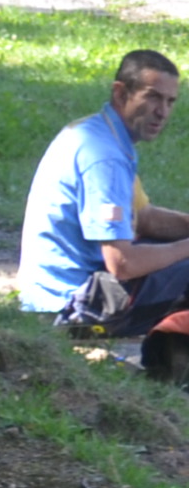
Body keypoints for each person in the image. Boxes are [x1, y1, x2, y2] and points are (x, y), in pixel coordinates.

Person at [23, 49, 189, 342]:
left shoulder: (101, 133)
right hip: (72, 306)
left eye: (169, 101)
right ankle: (168, 361)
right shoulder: (104, 158)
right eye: (152, 97)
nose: (162, 112)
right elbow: (123, 264)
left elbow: (146, 219)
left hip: (54, 291)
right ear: (121, 93)